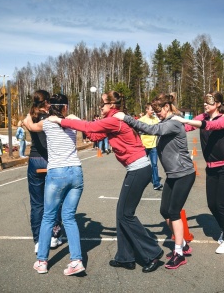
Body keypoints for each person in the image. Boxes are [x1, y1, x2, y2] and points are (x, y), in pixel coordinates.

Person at [48, 90, 163, 273]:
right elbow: (94, 136)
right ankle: (125, 257)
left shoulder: (115, 120)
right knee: (121, 214)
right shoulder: (112, 121)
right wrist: (75, 121)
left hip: (139, 169)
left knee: (126, 214)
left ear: (111, 105)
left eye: (102, 104)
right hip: (136, 169)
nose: (99, 108)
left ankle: (152, 253)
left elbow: (90, 128)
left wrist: (61, 120)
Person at [114, 93, 196, 269]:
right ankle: (182, 245)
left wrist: (127, 118)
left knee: (174, 213)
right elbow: (150, 128)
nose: (157, 113)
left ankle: (179, 254)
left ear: (167, 107)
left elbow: (152, 130)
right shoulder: (165, 122)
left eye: (159, 110)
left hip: (184, 174)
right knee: (164, 211)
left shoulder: (174, 122)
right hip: (173, 175)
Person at [24, 93, 85, 276]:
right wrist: (70, 116)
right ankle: (76, 260)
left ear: (51, 106)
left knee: (48, 217)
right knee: (69, 217)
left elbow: (30, 125)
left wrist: (28, 115)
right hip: (75, 171)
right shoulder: (73, 121)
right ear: (65, 107)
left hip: (57, 172)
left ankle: (42, 261)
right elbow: (84, 125)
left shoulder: (48, 123)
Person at [172, 91, 224, 254]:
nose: (205, 104)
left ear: (217, 104)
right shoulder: (202, 117)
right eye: (204, 101)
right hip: (212, 166)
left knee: (222, 203)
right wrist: (173, 124)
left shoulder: (223, 119)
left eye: (209, 102)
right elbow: (187, 127)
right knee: (211, 204)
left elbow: (212, 126)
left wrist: (185, 119)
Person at [27, 90, 62, 253]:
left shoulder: (31, 116)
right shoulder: (49, 118)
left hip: (34, 160)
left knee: (36, 203)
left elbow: (25, 122)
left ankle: (38, 241)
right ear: (46, 102)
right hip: (49, 159)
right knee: (54, 200)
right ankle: (54, 236)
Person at [138, 103, 163, 190]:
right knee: (142, 165)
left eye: (153, 110)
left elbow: (159, 128)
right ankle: (139, 182)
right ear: (146, 110)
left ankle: (156, 183)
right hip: (144, 146)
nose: (153, 111)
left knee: (155, 164)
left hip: (153, 146)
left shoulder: (155, 119)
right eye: (151, 109)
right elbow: (138, 132)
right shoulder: (141, 120)